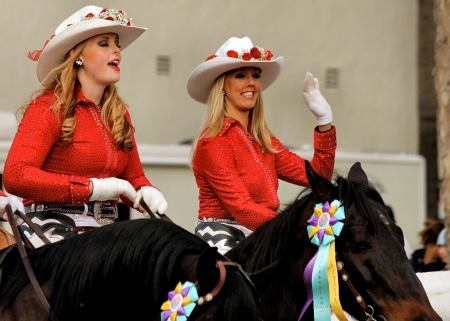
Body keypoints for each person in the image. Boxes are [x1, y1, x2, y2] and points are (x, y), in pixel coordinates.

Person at [3, 6, 168, 247]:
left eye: (117, 43)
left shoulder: (119, 112)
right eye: (104, 43)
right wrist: (93, 188)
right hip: (51, 228)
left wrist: (146, 190)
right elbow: (16, 176)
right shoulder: (48, 107)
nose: (117, 50)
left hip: (106, 231)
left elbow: (132, 176)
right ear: (76, 55)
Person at [187, 36, 336, 254]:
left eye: (255, 76)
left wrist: (324, 123)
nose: (251, 83)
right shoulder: (213, 142)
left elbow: (319, 177)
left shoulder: (264, 141)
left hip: (265, 233)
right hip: (222, 236)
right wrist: (296, 226)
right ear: (223, 86)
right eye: (240, 75)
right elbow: (242, 208)